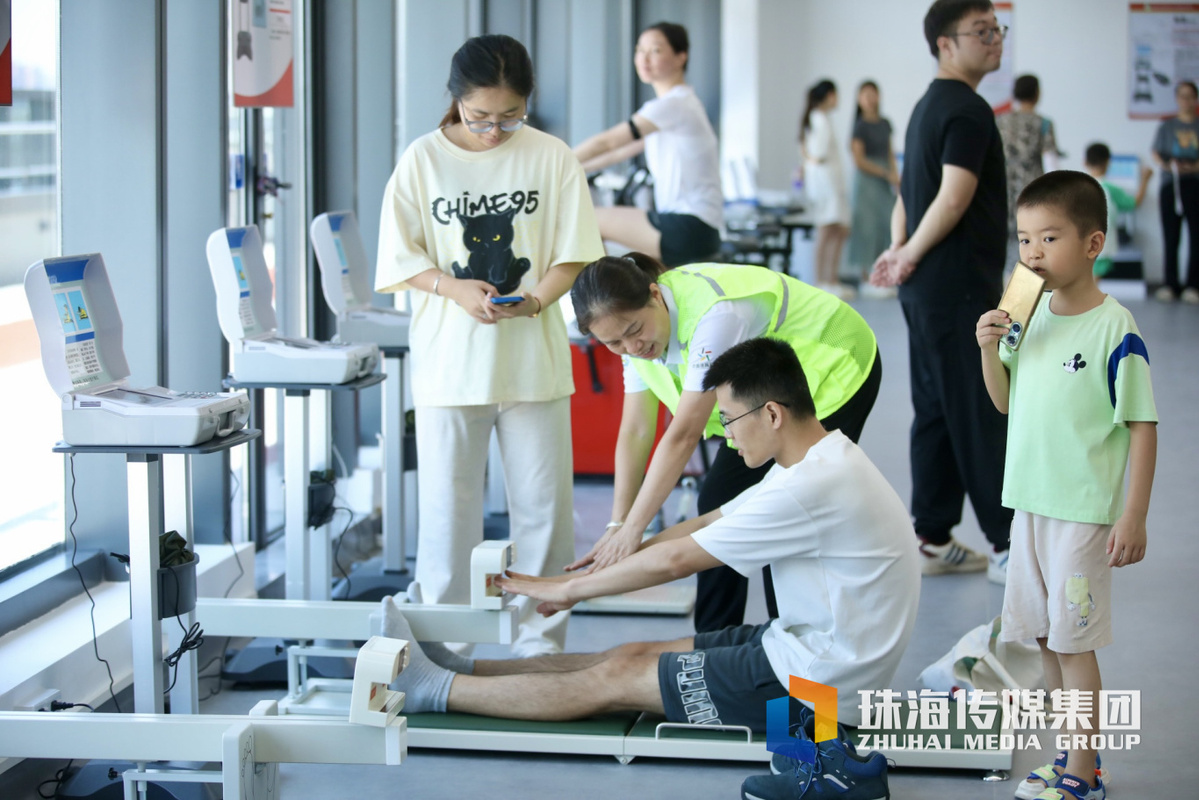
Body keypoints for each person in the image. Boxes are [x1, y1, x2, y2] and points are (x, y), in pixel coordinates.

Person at [383, 338, 919, 800]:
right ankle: (464, 672)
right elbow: (703, 523)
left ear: (772, 413)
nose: (725, 433)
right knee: (626, 655)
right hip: (800, 647)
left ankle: (435, 691)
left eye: (729, 418)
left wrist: (574, 591)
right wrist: (599, 560)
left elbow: (677, 561)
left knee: (614, 680)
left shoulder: (811, 486)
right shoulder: (816, 460)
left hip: (814, 685)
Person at [373, 34, 605, 657]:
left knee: (545, 520)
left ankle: (541, 651)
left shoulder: (552, 157)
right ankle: (443, 654)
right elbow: (400, 259)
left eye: (511, 116)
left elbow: (575, 253)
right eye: (481, 118)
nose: (496, 131)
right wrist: (451, 287)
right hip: (452, 367)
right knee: (449, 521)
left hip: (534, 365)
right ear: (455, 101)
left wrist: (532, 301)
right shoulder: (421, 160)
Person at [569, 256, 880, 633]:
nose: (632, 347)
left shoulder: (717, 314)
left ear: (655, 294)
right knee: (716, 502)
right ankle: (714, 643)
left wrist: (636, 529)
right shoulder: (632, 336)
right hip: (763, 397)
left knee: (784, 510)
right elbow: (635, 430)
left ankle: (792, 650)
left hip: (833, 370)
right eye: (613, 342)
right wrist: (618, 523)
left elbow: (683, 434)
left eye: (634, 330)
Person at [976, 170, 1157, 800]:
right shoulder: (1026, 318)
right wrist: (986, 349)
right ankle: (1071, 756)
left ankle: (1084, 772)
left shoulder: (1116, 328)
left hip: (1081, 513)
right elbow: (1003, 404)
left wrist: (1132, 515)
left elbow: (1141, 426)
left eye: (1048, 238)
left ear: (1092, 243)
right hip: (1028, 504)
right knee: (1049, 637)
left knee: (1075, 644)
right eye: (1023, 240)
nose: (1032, 255)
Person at [870, 0, 1013, 583]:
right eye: (981, 31)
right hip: (955, 286)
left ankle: (929, 535)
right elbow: (951, 196)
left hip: (927, 287)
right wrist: (907, 252)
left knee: (936, 408)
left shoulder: (927, 107)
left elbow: (909, 194)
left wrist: (901, 248)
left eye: (997, 29)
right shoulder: (969, 110)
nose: (994, 40)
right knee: (979, 407)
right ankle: (1009, 546)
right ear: (945, 44)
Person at [573, 21, 723, 267]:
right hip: (694, 227)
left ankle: (601, 301)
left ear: (680, 57)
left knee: (587, 221)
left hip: (689, 226)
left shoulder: (676, 104)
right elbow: (617, 154)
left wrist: (557, 164)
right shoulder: (672, 108)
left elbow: (607, 142)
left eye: (655, 50)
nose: (644, 58)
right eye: (639, 50)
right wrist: (574, 169)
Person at [996, 74, 1061, 267]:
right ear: (1037, 94)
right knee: (1029, 245)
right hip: (1031, 193)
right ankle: (1024, 294)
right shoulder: (1043, 124)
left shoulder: (1000, 121)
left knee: (1005, 248)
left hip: (1002, 191)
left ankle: (1005, 291)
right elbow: (1051, 163)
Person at [846, 80, 900, 298]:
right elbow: (859, 160)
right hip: (867, 181)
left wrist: (894, 175)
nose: (869, 99)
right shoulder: (859, 126)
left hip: (884, 180)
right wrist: (885, 172)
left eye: (872, 94)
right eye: (864, 95)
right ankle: (866, 278)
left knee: (886, 226)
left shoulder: (885, 123)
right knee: (866, 229)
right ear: (859, 99)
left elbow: (889, 152)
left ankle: (883, 276)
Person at [800, 79, 853, 299]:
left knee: (836, 230)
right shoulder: (819, 119)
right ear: (828, 95)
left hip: (827, 184)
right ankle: (822, 280)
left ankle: (830, 279)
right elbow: (817, 153)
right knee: (827, 230)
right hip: (826, 185)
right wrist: (808, 158)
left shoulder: (818, 118)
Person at [1150, 80, 1199, 303]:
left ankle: (1193, 285)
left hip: (1195, 185)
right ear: (1177, 99)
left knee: (1196, 236)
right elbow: (1156, 153)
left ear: (1195, 99)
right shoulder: (1167, 127)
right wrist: (1171, 165)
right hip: (1171, 185)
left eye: (1190, 96)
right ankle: (1170, 283)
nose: (1186, 101)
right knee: (1171, 235)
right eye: (1182, 96)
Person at [1082, 142, 1153, 278]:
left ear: (1085, 162)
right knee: (1095, 277)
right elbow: (1134, 203)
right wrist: (1145, 180)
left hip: (1080, 242)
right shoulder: (1110, 189)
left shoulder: (1077, 187)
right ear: (1108, 163)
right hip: (1102, 243)